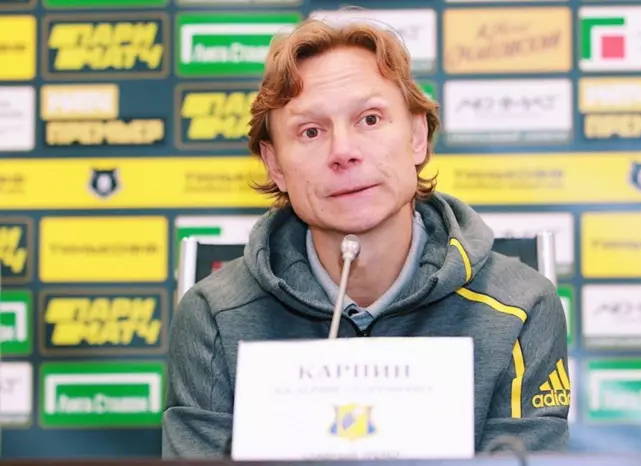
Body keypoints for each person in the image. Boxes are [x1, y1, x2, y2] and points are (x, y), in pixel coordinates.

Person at [162, 15, 570, 458]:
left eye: (370, 119)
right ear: (275, 164)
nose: (343, 152)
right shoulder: (214, 315)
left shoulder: (520, 306)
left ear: (417, 136)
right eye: (311, 131)